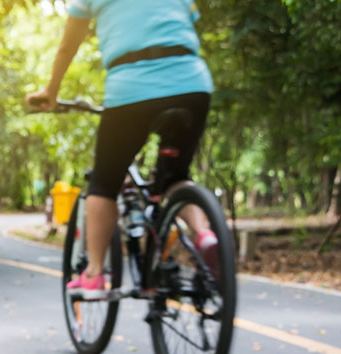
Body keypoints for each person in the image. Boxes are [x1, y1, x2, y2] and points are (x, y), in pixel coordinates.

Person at [26, 0, 218, 298]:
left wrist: (51, 92)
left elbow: (68, 45)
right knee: (176, 176)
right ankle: (205, 235)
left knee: (104, 183)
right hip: (191, 84)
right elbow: (186, 24)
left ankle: (94, 274)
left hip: (132, 88)